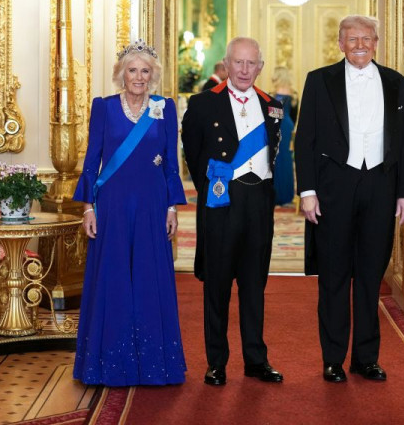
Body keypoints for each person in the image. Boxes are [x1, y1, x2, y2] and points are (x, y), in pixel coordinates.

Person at [294, 15, 404, 383]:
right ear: (340, 43)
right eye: (352, 39)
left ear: (376, 43)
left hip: (381, 187)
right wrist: (307, 192)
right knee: (333, 277)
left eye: (366, 38)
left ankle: (366, 358)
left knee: (370, 277)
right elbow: (305, 139)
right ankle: (333, 359)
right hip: (334, 187)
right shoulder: (319, 80)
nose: (360, 45)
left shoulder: (397, 83)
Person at [72, 39, 187, 386]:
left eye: (145, 71)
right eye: (132, 70)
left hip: (152, 204)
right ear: (121, 74)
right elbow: (92, 161)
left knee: (150, 279)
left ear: (153, 75)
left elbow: (171, 163)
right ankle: (108, 364)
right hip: (113, 206)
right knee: (114, 278)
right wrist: (88, 208)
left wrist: (171, 206)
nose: (138, 77)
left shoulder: (164, 107)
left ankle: (154, 365)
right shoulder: (104, 107)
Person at [181, 37, 285, 386]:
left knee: (254, 284)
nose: (243, 70)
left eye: (251, 63)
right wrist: (214, 187)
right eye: (237, 62)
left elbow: (274, 155)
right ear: (226, 65)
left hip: (259, 202)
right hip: (221, 202)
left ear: (260, 67)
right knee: (218, 284)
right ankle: (217, 362)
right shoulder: (203, 103)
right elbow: (193, 153)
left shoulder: (273, 107)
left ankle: (256, 360)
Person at [271, 66, 298, 206]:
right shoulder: (294, 95)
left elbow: (272, 115)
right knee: (287, 159)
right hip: (288, 126)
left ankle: (276, 194)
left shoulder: (273, 94)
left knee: (275, 159)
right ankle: (287, 195)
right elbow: (294, 116)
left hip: (276, 125)